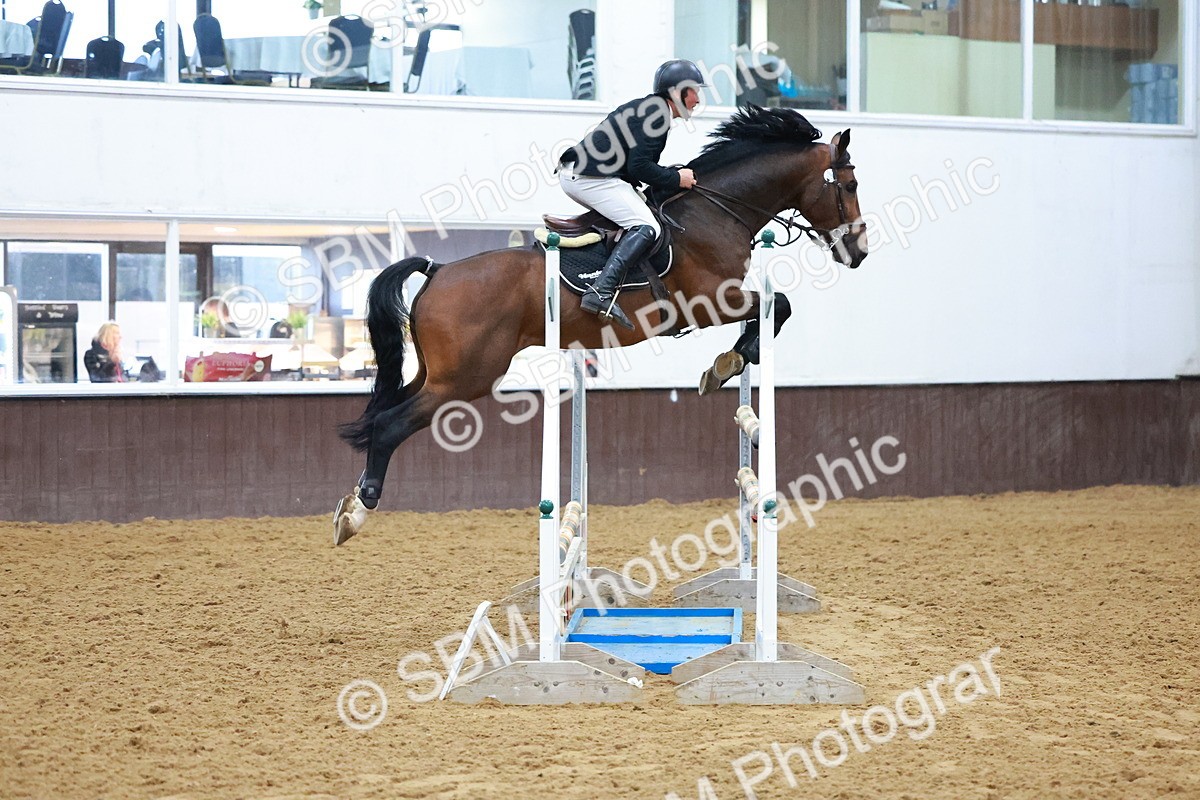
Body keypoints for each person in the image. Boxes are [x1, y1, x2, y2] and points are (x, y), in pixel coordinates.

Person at [558, 59, 706, 329]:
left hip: (587, 173)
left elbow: (636, 166)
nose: (698, 99)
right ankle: (601, 291)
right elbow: (639, 167)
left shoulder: (651, 109)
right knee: (647, 225)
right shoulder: (657, 114)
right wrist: (676, 178)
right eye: (694, 90)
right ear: (676, 92)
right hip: (589, 178)